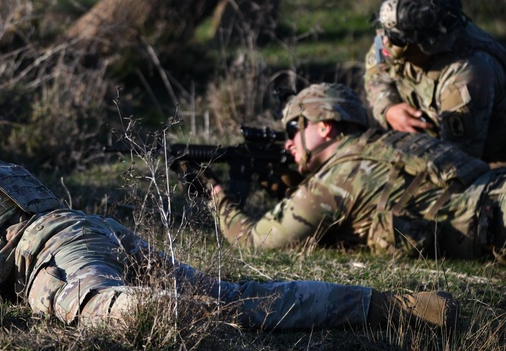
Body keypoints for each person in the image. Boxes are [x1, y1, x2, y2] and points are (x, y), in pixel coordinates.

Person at [0, 82, 458, 332]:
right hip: (89, 229)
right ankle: (384, 306)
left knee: (99, 312)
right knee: (239, 294)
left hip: (51, 259)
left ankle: (170, 318)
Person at [212, 82, 506, 261]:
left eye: (293, 128)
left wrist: (217, 199)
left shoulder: (336, 181)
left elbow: (254, 242)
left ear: (325, 126)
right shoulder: (388, 144)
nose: (288, 142)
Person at [363, 0, 506, 164]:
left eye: (396, 40)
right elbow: (375, 72)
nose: (386, 42)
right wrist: (388, 107)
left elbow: (458, 164)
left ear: (427, 44)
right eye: (386, 32)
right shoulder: (398, 33)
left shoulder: (467, 75)